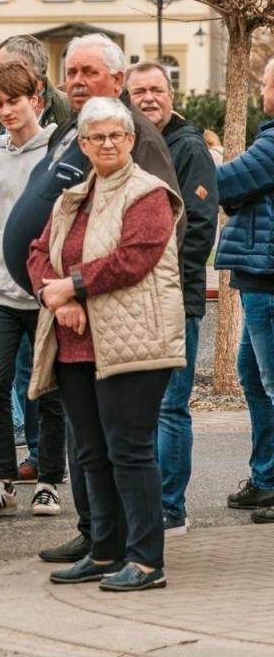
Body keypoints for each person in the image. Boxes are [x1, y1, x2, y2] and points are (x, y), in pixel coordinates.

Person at [1, 31, 182, 566]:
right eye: (93, 138)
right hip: (75, 339)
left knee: (128, 452)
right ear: (80, 144)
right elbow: (39, 249)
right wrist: (53, 296)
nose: (104, 144)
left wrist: (72, 285)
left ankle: (144, 558)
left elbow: (138, 254)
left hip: (128, 339)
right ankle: (103, 550)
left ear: (128, 138)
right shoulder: (75, 195)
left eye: (113, 136)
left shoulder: (146, 188)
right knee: (92, 453)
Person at [0, 61, 64, 521]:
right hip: (0, 294)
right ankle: (0, 481)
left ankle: (47, 481)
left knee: (48, 390)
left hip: (46, 295)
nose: (5, 111)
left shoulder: (58, 156)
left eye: (13, 102)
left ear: (35, 100)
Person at [126, 61, 219, 534]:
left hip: (174, 298)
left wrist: (168, 285)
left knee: (170, 406)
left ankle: (171, 510)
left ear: (171, 94)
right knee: (138, 409)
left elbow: (199, 229)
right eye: (139, 90)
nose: (148, 98)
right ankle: (142, 507)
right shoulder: (129, 144)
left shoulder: (188, 148)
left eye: (156, 89)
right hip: (130, 299)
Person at [214, 56, 274, 523]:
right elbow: (239, 191)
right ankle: (267, 478)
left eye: (267, 84)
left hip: (267, 281)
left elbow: (224, 183)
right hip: (258, 277)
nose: (261, 91)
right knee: (253, 379)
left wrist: (202, 177)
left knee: (269, 384)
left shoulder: (273, 142)